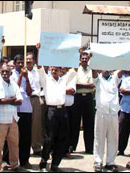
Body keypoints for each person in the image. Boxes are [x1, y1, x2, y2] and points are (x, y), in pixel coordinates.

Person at [37, 42, 77, 172]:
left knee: (62, 138)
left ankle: (55, 164)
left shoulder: (63, 79)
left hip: (62, 111)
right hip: (51, 111)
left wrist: (77, 52)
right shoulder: (46, 79)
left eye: (56, 70)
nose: (54, 72)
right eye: (52, 69)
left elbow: (75, 69)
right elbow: (39, 67)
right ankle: (43, 164)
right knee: (49, 138)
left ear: (60, 70)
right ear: (49, 69)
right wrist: (40, 50)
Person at [92, 68, 125, 172]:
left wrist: (129, 58)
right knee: (99, 138)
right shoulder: (98, 79)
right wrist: (93, 59)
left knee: (113, 138)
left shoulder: (115, 77)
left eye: (108, 68)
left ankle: (110, 162)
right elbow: (93, 71)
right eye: (104, 68)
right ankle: (98, 161)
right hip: (101, 112)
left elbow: (122, 69)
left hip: (113, 113)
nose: (106, 70)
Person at [0, 65, 23, 172]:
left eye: (6, 71)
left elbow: (20, 101)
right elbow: (0, 101)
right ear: (0, 72)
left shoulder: (14, 85)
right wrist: (13, 99)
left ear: (11, 73)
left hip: (13, 118)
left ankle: (14, 165)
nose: (4, 73)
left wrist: (8, 100)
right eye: (2, 72)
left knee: (14, 143)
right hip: (1, 119)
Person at [10, 54, 33, 169]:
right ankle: (12, 161)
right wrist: (20, 77)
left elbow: (29, 92)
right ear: (14, 64)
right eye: (18, 63)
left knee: (26, 136)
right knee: (13, 137)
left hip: (26, 109)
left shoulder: (28, 74)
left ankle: (25, 160)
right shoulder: (11, 75)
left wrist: (27, 78)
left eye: (21, 63)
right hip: (15, 109)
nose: (20, 65)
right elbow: (14, 90)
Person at [70, 49, 95, 155]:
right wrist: (87, 85)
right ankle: (72, 146)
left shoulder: (92, 70)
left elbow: (93, 84)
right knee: (74, 123)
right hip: (77, 98)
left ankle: (89, 148)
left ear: (88, 60)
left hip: (89, 98)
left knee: (89, 124)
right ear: (80, 60)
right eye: (82, 58)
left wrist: (81, 84)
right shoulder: (76, 70)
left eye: (86, 58)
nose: (84, 60)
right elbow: (74, 84)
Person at [26, 52, 44, 156]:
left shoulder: (38, 72)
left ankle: (36, 147)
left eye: (30, 59)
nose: (28, 61)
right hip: (25, 100)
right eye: (27, 59)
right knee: (25, 125)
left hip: (35, 99)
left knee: (36, 125)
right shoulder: (22, 71)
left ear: (34, 61)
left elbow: (42, 84)